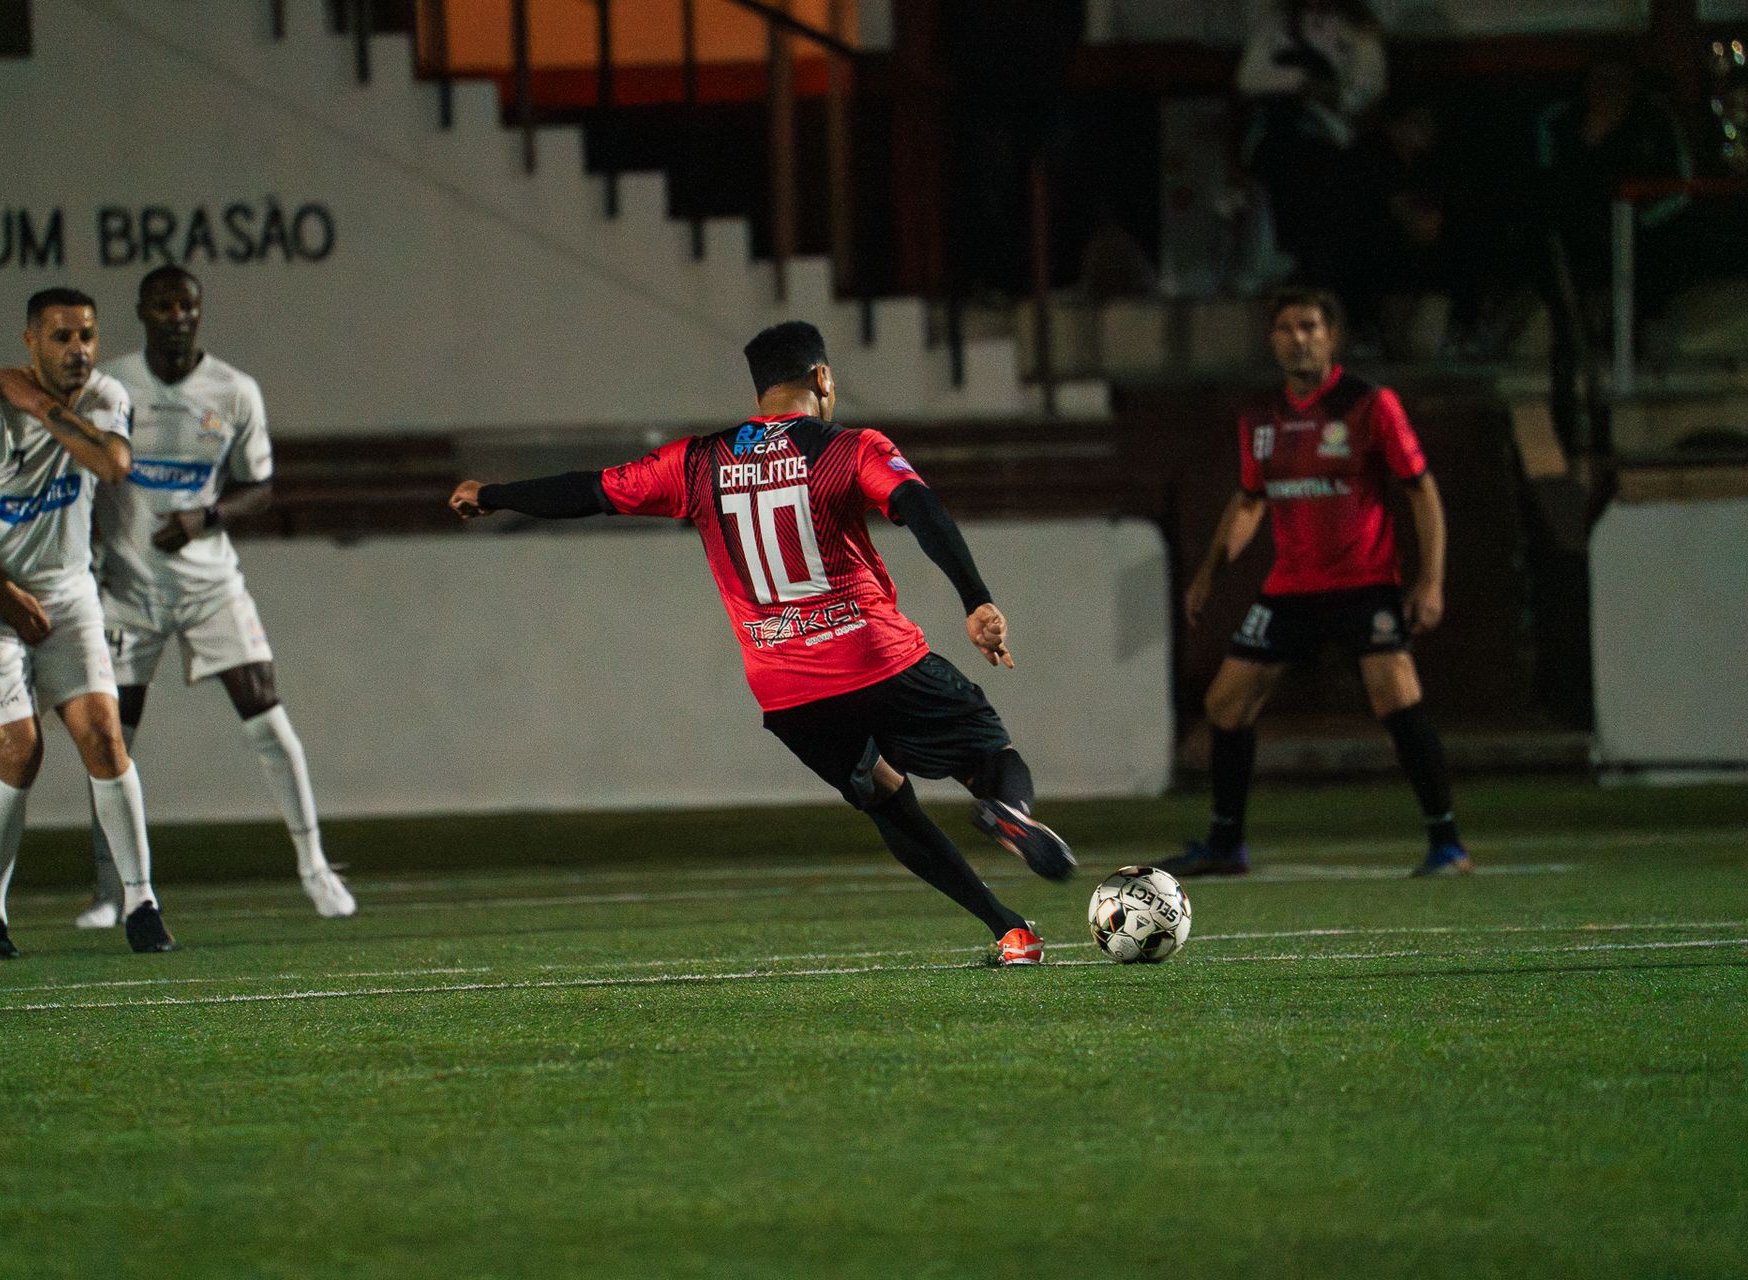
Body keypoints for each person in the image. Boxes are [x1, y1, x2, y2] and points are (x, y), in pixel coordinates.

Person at [450, 321, 1075, 965]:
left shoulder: (697, 461)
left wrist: (492, 494)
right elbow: (920, 507)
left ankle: (1008, 929)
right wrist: (975, 598)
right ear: (822, 380)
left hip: (789, 692)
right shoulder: (848, 447)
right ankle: (1007, 810)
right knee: (988, 754)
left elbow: (589, 491)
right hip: (875, 656)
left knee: (889, 803)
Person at [72, 266, 353, 926]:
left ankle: (315, 867)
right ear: (142, 312)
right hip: (128, 589)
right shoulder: (109, 387)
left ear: (199, 313)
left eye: (187, 305)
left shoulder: (233, 390)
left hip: (209, 585)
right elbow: (80, 477)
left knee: (268, 717)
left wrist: (205, 517)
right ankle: (110, 891)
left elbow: (260, 485)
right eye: (163, 305)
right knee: (110, 740)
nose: (176, 315)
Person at [1166, 288, 1469, 879]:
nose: (1297, 337)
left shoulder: (1369, 404)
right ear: (1272, 340)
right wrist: (1209, 573)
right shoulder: (1260, 421)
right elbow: (1250, 502)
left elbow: (1421, 491)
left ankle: (1448, 843)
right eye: (1285, 328)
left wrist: (1430, 581)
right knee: (1225, 702)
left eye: (1309, 326)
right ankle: (1226, 845)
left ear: (1332, 337)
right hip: (1291, 588)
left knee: (1398, 699)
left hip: (1365, 582)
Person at [0, 288, 176, 958]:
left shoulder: (105, 397)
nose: (79, 350)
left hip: (68, 596)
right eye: (62, 337)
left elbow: (113, 464)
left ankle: (142, 904)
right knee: (19, 750)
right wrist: (5, 595)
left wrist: (42, 405)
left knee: (104, 736)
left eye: (87, 336)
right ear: (31, 340)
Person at [1237, 0, 1387, 323]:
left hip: (1338, 144)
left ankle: (1342, 308)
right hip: (1285, 142)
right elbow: (1249, 79)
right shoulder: (1278, 26)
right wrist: (1301, 83)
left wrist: (1332, 96)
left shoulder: (1358, 32)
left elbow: (1367, 93)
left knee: (1339, 198)